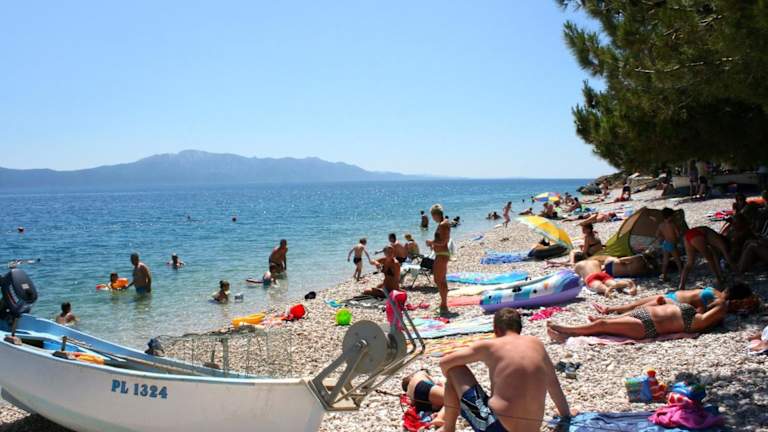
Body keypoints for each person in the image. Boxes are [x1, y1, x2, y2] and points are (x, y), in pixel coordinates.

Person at [439, 308, 574, 432]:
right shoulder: (536, 344)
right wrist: (566, 415)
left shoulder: (489, 345)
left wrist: (452, 385)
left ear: (496, 330)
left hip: (497, 427)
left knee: (454, 369)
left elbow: (444, 363)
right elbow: (553, 384)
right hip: (532, 429)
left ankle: (448, 428)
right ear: (519, 329)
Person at [547, 298, 728, 343]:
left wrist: (725, 301)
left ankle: (567, 330)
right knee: (604, 324)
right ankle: (568, 334)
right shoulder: (695, 312)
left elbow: (722, 306)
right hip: (642, 314)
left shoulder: (698, 322)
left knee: (602, 326)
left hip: (646, 326)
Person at [592, 286, 722, 316]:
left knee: (636, 307)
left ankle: (609, 313)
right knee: (637, 308)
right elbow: (699, 312)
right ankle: (608, 311)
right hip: (672, 300)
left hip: (672, 298)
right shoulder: (715, 298)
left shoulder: (713, 290)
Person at [426, 204, 453, 317]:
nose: (432, 218)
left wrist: (431, 242)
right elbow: (441, 240)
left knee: (439, 280)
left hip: (442, 254)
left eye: (432, 216)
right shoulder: (443, 223)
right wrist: (433, 244)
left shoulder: (443, 225)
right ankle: (443, 304)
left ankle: (444, 305)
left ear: (435, 214)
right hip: (441, 254)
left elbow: (443, 241)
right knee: (441, 280)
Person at [656, 208, 683, 282]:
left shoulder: (661, 225)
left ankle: (664, 276)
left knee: (665, 261)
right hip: (672, 243)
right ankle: (682, 275)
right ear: (670, 216)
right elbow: (678, 234)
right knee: (677, 260)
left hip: (665, 243)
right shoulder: (672, 225)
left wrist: (663, 238)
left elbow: (657, 234)